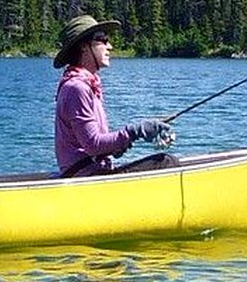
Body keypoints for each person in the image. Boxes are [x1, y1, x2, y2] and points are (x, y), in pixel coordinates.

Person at [53, 14, 175, 178]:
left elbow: (93, 145)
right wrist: (136, 131)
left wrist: (115, 147)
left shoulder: (86, 84)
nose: (109, 46)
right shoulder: (77, 88)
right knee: (166, 162)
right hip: (84, 178)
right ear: (84, 46)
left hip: (91, 173)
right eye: (102, 40)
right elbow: (94, 145)